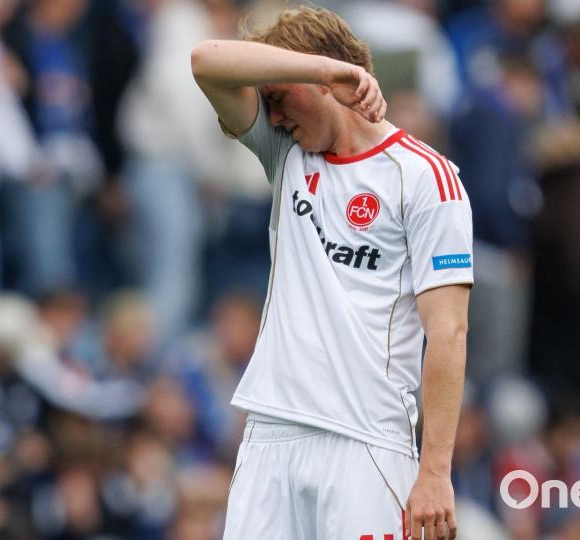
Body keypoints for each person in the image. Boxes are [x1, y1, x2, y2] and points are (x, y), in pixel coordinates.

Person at [190, 6, 473, 540]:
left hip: (365, 442)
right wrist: (320, 71)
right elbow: (206, 60)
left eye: (277, 96)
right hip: (270, 433)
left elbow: (449, 332)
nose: (271, 116)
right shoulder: (286, 153)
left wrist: (435, 471)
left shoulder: (425, 177)